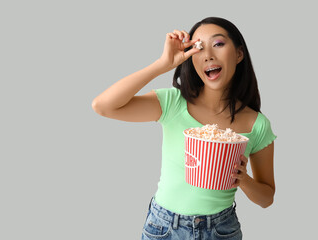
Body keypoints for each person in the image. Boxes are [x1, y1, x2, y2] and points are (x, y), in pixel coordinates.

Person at [92, 17, 276, 240]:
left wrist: (243, 179)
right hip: (164, 228)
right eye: (198, 47)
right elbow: (103, 106)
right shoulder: (173, 103)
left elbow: (267, 198)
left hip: (221, 230)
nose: (208, 54)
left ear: (239, 54)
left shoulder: (257, 124)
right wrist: (162, 64)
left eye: (218, 44)